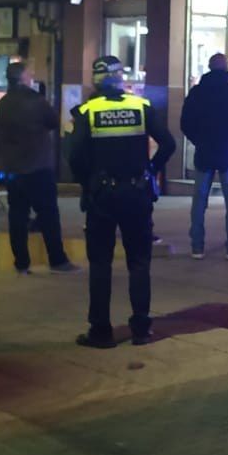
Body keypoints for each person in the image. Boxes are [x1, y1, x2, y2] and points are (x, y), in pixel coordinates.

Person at [69, 55, 175, 348]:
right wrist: (151, 169)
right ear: (120, 78)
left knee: (101, 263)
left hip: (102, 196)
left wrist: (87, 183)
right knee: (139, 262)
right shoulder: (140, 107)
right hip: (138, 194)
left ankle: (101, 331)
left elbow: (74, 156)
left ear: (96, 79)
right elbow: (168, 144)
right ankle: (141, 329)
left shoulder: (88, 111)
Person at [0, 62, 77, 275]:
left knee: (17, 215)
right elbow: (53, 122)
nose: (33, 76)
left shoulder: (2, 103)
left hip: (12, 167)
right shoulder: (35, 100)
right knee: (48, 214)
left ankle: (21, 263)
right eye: (30, 73)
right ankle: (57, 259)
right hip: (37, 166)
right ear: (22, 77)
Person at [179, 53, 228, 259]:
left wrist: (198, 140)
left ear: (209, 68)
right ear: (226, 67)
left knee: (199, 200)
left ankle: (197, 246)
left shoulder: (197, 93)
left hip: (204, 152)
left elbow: (185, 122)